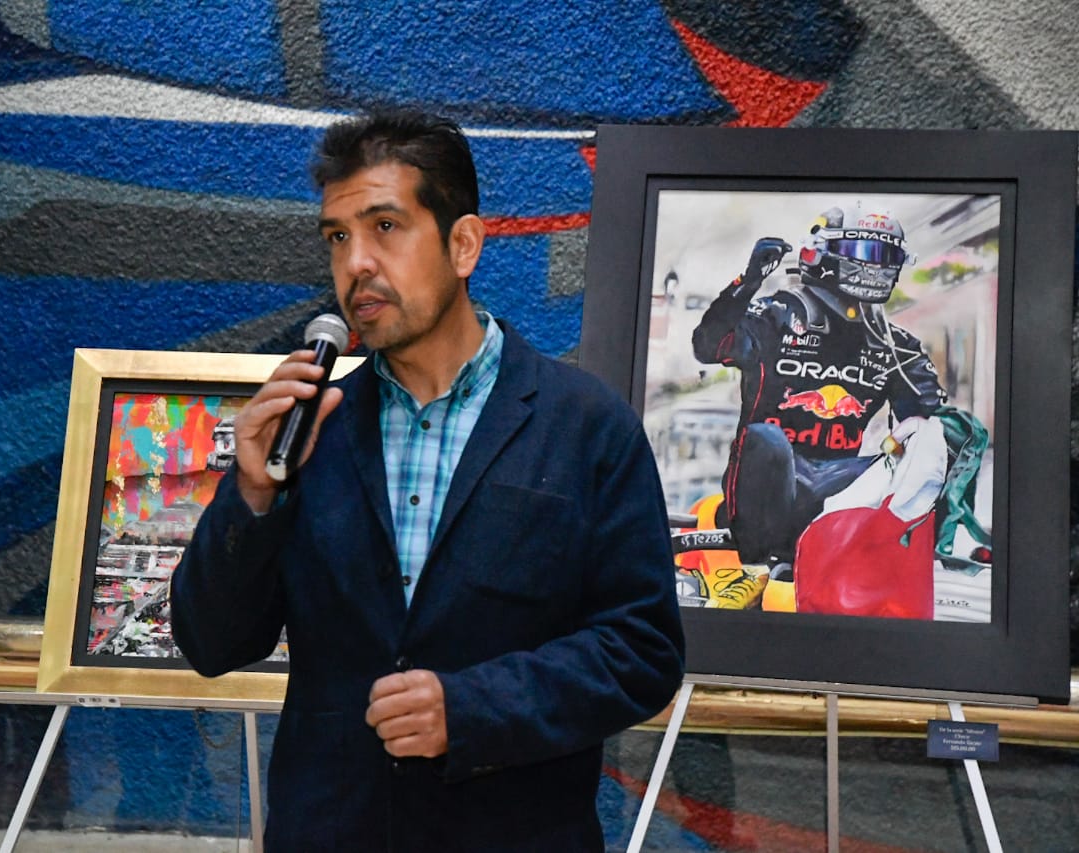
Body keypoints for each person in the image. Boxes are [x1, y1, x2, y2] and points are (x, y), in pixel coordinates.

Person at [170, 110, 685, 851]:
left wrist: (472, 708)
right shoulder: (313, 431)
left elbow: (642, 651)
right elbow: (211, 643)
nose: (356, 264)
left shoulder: (585, 425)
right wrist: (251, 495)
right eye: (337, 238)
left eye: (385, 227)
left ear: (463, 244)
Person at [690, 203, 955, 612]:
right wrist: (747, 282)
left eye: (886, 255)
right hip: (768, 483)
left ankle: (896, 564)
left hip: (838, 490)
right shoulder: (775, 316)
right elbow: (708, 347)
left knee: (928, 441)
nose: (875, 266)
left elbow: (932, 425)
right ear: (821, 252)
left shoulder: (897, 346)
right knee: (767, 440)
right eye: (866, 253)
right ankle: (754, 568)